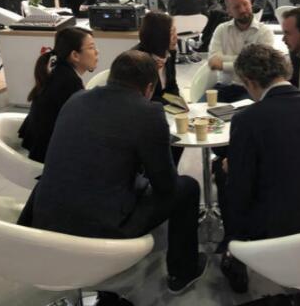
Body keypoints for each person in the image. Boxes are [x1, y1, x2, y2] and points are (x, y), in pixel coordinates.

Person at [19, 51, 207, 305]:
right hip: (99, 228)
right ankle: (182, 272)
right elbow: (166, 186)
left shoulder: (76, 99)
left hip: (43, 219)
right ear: (149, 88)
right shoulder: (148, 113)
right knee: (187, 187)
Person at [219, 44, 300, 294]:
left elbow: (241, 190)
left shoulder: (247, 120)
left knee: (226, 180)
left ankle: (233, 256)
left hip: (275, 234)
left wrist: (233, 166)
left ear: (249, 81)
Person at [18, 27, 98, 163]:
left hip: (41, 147)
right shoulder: (69, 83)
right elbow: (81, 126)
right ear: (75, 55)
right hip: (49, 157)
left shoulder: (60, 72)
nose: (97, 52)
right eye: (91, 48)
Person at [132, 12, 184, 165]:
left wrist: (179, 104)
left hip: (161, 111)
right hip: (141, 118)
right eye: (172, 33)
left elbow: (171, 86)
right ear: (159, 36)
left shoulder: (167, 54)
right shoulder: (137, 60)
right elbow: (139, 99)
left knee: (181, 135)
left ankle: (170, 173)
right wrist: (167, 105)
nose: (176, 37)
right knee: (171, 141)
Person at [208, 0, 274, 102]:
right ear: (229, 11)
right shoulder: (221, 29)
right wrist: (245, 61)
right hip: (223, 87)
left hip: (251, 89)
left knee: (242, 112)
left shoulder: (264, 32)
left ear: (251, 4)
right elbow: (213, 60)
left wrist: (223, 65)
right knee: (199, 111)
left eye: (245, 4)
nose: (243, 9)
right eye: (236, 7)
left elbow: (257, 66)